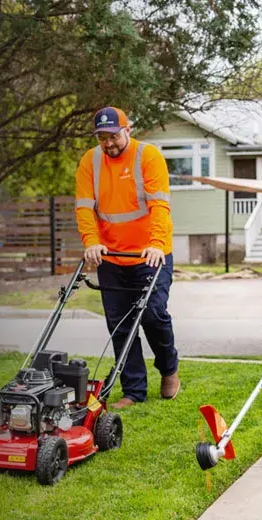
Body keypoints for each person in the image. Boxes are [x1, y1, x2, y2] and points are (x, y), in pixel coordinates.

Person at [72, 106, 179, 410]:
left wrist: (157, 243)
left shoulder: (148, 156)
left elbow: (159, 205)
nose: (109, 143)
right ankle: (133, 390)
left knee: (153, 315)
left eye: (114, 135)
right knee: (119, 324)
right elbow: (84, 207)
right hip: (112, 257)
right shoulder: (90, 162)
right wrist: (91, 242)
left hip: (151, 253)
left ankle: (169, 368)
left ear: (128, 130)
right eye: (102, 137)